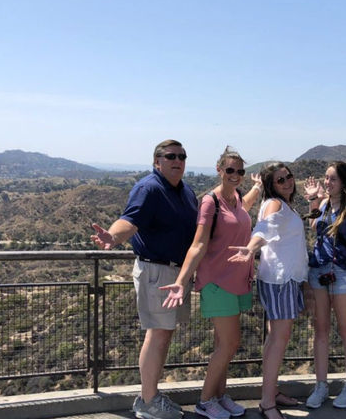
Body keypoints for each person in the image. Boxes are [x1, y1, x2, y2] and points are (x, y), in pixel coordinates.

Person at [91, 139, 198, 419]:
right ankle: (148, 401)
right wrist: (112, 237)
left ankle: (151, 396)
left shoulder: (185, 191)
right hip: (157, 271)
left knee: (164, 333)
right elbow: (130, 220)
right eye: (171, 156)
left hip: (177, 272)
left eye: (182, 156)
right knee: (158, 334)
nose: (178, 160)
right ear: (156, 161)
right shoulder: (149, 188)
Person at [160, 147, 263, 419]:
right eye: (230, 170)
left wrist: (258, 187)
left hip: (238, 280)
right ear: (219, 170)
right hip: (217, 283)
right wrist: (182, 281)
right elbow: (199, 244)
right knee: (230, 343)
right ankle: (205, 401)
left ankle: (219, 395)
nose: (235, 175)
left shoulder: (237, 200)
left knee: (223, 344)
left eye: (239, 171)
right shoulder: (210, 202)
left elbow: (246, 208)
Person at [228, 162, 309, 419]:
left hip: (285, 278)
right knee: (278, 340)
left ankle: (271, 393)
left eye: (288, 176)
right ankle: (267, 403)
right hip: (280, 279)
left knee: (275, 339)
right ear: (270, 185)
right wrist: (251, 248)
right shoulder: (274, 204)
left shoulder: (285, 205)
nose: (287, 182)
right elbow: (263, 230)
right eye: (279, 180)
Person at [302, 162, 346, 409]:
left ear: (344, 183)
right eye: (326, 178)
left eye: (332, 179)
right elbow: (315, 227)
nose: (327, 183)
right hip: (319, 270)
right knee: (320, 330)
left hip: (342, 273)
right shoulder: (323, 204)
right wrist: (313, 200)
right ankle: (321, 385)